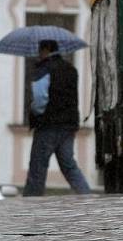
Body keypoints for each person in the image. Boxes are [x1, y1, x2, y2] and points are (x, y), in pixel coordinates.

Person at [23, 39, 91, 195]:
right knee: (68, 164)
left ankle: (31, 202)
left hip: (48, 125)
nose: (38, 55)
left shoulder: (44, 70)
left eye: (40, 51)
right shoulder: (71, 69)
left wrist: (35, 112)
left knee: (38, 167)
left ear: (46, 50)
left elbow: (40, 98)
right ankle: (87, 196)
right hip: (68, 126)